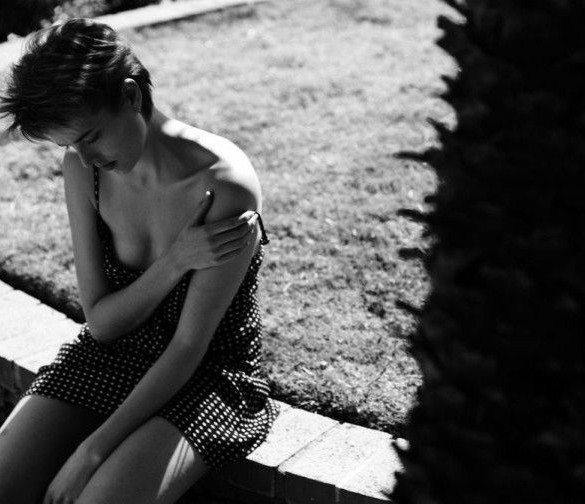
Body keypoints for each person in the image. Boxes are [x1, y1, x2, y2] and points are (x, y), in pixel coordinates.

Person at [0, 18, 280, 504]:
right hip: (110, 356)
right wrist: (175, 261)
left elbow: (189, 347)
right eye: (69, 145)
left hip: (206, 376)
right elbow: (102, 325)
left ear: (131, 96)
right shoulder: (83, 172)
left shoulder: (224, 185)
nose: (84, 158)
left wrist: (91, 452)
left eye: (91, 136)